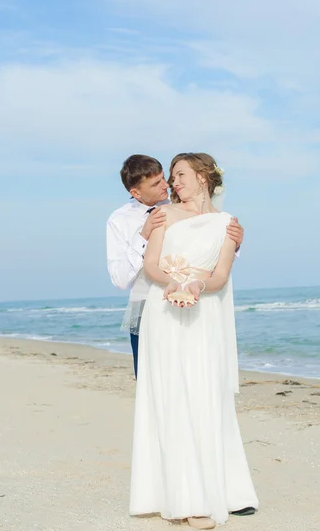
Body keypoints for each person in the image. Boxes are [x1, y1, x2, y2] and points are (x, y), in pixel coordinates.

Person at [129, 153, 258, 529]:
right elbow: (151, 264)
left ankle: (228, 490)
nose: (174, 183)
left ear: (204, 178)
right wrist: (173, 284)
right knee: (173, 392)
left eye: (181, 175)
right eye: (172, 177)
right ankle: (185, 498)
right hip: (165, 308)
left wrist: (198, 286)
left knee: (207, 392)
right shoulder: (163, 216)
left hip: (205, 311)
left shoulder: (227, 224)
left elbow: (221, 274)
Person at [106, 154, 244, 378]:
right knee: (152, 378)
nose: (167, 185)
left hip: (195, 298)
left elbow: (208, 246)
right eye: (155, 183)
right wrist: (144, 234)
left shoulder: (180, 204)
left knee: (194, 373)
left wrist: (235, 242)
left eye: (164, 178)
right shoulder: (119, 220)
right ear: (136, 193)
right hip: (147, 303)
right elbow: (120, 280)